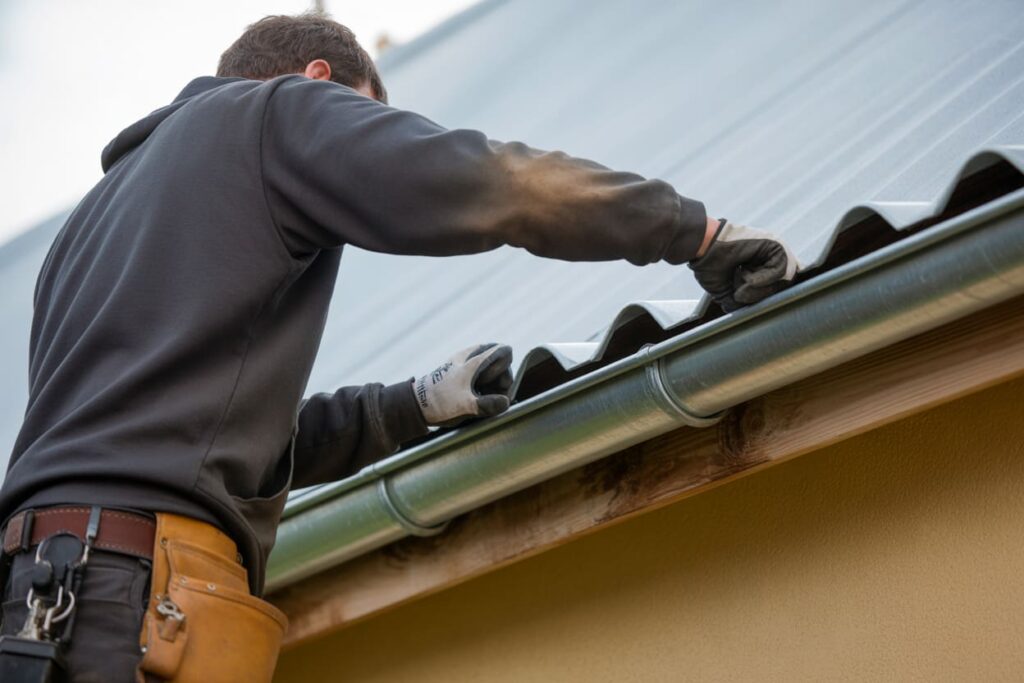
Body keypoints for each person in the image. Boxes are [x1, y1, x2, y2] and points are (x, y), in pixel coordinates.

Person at [0, 11, 798, 683]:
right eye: (366, 116)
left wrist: (412, 405)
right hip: (131, 598)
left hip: (34, 600)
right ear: (319, 81)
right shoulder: (278, 113)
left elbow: (208, 443)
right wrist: (693, 231)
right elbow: (488, 183)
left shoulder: (85, 232)